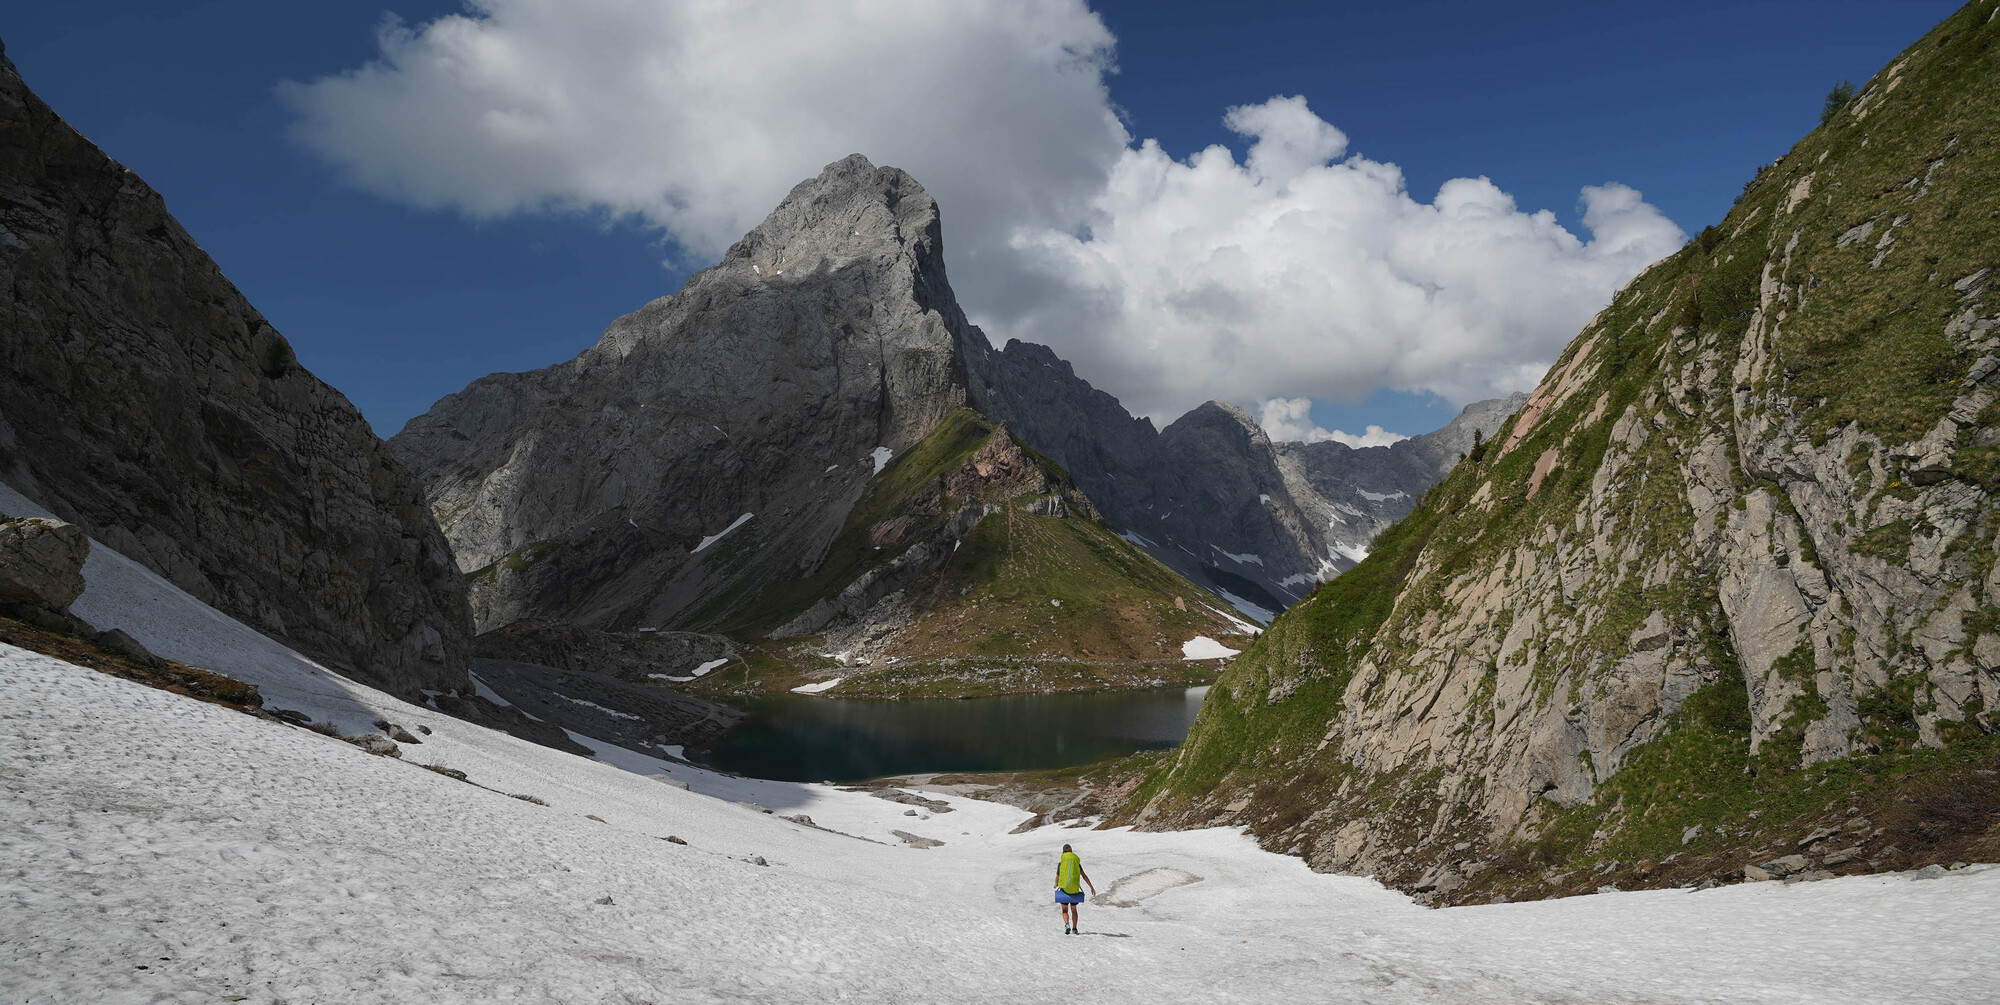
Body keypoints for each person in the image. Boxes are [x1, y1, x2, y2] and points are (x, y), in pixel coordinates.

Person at [1053, 842, 1096, 934]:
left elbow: (1057, 877)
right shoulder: (1076, 863)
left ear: (1063, 852)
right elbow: (1084, 876)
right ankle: (1075, 928)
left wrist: (1056, 884)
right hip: (1074, 890)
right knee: (1074, 909)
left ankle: (1067, 924)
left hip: (1064, 889)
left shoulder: (1061, 864)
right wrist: (1091, 887)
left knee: (1064, 909)